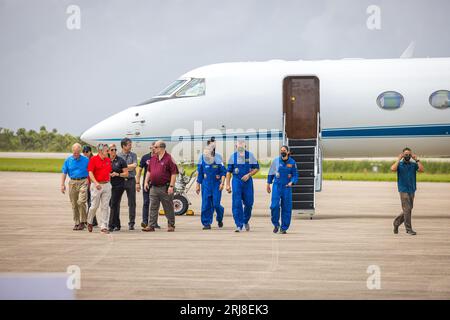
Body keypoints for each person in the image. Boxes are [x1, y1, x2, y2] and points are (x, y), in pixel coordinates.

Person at [143, 140, 178, 232]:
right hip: (153, 187)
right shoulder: (153, 158)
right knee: (153, 207)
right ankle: (151, 225)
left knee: (168, 207)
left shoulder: (169, 158)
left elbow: (174, 173)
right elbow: (149, 171)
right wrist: (146, 182)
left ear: (161, 148)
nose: (153, 149)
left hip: (165, 187)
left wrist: (171, 186)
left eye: (155, 147)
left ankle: (171, 225)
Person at [225, 140, 260, 232]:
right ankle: (239, 225)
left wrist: (249, 175)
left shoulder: (250, 156)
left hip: (247, 182)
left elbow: (257, 168)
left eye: (242, 147)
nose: (240, 148)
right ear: (236, 147)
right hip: (236, 181)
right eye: (238, 147)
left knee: (249, 203)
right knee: (237, 203)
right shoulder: (232, 157)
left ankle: (245, 221)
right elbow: (228, 172)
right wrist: (227, 184)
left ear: (245, 147)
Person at [391, 147, 424, 236]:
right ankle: (408, 229)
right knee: (407, 209)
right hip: (403, 190)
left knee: (408, 210)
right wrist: (398, 159)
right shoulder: (400, 164)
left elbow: (421, 170)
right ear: (402, 155)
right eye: (406, 154)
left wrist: (417, 160)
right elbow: (393, 169)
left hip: (412, 189)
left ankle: (396, 223)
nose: (407, 156)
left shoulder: (413, 165)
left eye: (409, 154)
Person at [266, 146, 299, 234]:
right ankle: (276, 224)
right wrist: (268, 183)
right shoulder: (276, 161)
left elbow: (295, 175)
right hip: (277, 186)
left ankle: (284, 228)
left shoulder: (292, 162)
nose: (282, 152)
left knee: (286, 208)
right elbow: (271, 173)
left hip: (287, 187)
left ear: (288, 152)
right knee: (274, 206)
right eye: (281, 151)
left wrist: (292, 182)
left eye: (284, 150)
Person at [196, 138, 226, 230]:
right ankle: (206, 223)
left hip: (216, 184)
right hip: (206, 184)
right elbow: (200, 172)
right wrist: (198, 185)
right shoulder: (202, 157)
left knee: (216, 204)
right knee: (206, 204)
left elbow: (223, 172)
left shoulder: (218, 157)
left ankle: (219, 218)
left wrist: (222, 183)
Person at [61, 143, 89, 231]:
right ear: (72, 151)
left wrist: (89, 180)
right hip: (72, 182)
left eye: (77, 152)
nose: (76, 154)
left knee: (81, 202)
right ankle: (77, 222)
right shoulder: (68, 160)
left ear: (80, 152)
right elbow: (64, 172)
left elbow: (91, 170)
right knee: (74, 204)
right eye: (74, 152)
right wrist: (62, 184)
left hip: (83, 181)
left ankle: (83, 221)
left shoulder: (86, 160)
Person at [87, 144, 113, 234]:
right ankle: (89, 221)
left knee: (105, 206)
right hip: (96, 185)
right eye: (107, 150)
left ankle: (104, 226)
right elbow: (90, 173)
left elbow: (108, 171)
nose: (108, 152)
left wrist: (110, 178)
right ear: (101, 151)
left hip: (106, 185)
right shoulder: (93, 159)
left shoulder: (108, 160)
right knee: (94, 206)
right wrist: (96, 182)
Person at [136, 142, 160, 229]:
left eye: (155, 147)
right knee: (146, 202)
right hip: (146, 183)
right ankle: (145, 221)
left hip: (156, 184)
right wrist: (137, 182)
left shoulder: (159, 157)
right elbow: (139, 170)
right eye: (152, 147)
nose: (154, 149)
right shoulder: (145, 157)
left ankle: (154, 222)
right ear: (150, 148)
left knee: (155, 203)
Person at [118, 138, 138, 230]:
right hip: (120, 180)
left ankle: (131, 223)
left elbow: (134, 166)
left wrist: (123, 167)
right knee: (116, 202)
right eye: (129, 144)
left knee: (132, 203)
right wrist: (127, 167)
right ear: (123, 146)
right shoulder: (118, 155)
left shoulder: (133, 155)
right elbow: (117, 168)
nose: (131, 146)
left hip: (131, 180)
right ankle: (116, 223)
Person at [108, 144, 129, 232]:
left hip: (119, 185)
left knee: (113, 204)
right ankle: (117, 224)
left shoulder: (121, 161)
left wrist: (118, 174)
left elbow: (126, 174)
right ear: (108, 151)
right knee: (113, 204)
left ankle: (110, 225)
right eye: (112, 150)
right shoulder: (106, 160)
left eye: (115, 150)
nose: (114, 151)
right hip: (109, 185)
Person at [82, 145, 97, 227]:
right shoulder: (85, 159)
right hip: (87, 182)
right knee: (89, 202)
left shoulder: (92, 159)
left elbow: (92, 172)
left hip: (92, 183)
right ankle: (93, 220)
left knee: (91, 202)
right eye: (83, 152)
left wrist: (90, 182)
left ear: (90, 151)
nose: (85, 153)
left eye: (86, 152)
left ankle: (90, 220)